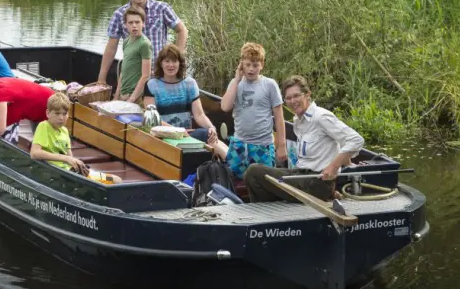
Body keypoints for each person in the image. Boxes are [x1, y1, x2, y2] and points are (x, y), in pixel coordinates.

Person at [244, 75, 365, 202]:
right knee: (257, 176)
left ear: (307, 95)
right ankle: (272, 213)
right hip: (300, 175)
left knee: (254, 172)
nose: (292, 101)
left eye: (296, 96)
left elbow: (355, 139)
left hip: (317, 183)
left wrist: (334, 166)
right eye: (288, 98)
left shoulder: (321, 117)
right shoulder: (298, 119)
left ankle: (267, 214)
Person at [97, 0, 188, 85]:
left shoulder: (162, 9)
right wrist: (101, 79)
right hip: (133, 74)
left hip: (159, 73)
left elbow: (182, 30)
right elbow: (111, 48)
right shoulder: (119, 14)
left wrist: (176, 61)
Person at [142, 44, 229, 159]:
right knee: (205, 135)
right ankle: (234, 166)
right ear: (161, 63)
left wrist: (211, 127)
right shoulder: (152, 85)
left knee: (209, 133)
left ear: (180, 63)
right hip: (163, 136)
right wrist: (178, 131)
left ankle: (231, 165)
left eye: (174, 61)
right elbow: (153, 120)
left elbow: (199, 114)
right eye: (167, 61)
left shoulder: (189, 83)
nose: (171, 65)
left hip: (187, 134)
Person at [220, 42, 287, 179]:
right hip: (239, 143)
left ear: (262, 65)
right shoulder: (235, 84)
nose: (251, 69)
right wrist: (236, 80)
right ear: (241, 65)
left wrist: (281, 145)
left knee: (264, 181)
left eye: (255, 65)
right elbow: (225, 107)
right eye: (247, 65)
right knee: (234, 180)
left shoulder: (269, 85)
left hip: (262, 145)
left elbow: (279, 118)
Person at [29, 93, 122, 184]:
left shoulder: (64, 131)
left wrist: (76, 163)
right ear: (48, 113)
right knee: (111, 181)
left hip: (71, 171)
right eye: (57, 113)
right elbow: (34, 153)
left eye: (64, 114)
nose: (61, 118)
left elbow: (70, 157)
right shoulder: (44, 126)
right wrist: (66, 158)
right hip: (58, 174)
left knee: (116, 180)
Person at [114, 6, 152, 103]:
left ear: (143, 24)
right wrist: (116, 96)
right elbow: (123, 71)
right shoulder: (126, 41)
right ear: (126, 25)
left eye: (137, 22)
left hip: (135, 97)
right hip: (123, 95)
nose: (134, 25)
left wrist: (132, 98)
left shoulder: (144, 44)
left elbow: (145, 75)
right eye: (130, 23)